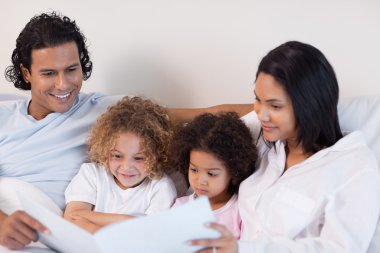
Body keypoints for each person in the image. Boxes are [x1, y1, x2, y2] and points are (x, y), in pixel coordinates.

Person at [0, 11, 253, 250]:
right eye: (48, 73)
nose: (63, 84)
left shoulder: (109, 113)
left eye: (71, 69)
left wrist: (272, 108)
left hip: (62, 237)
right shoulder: (4, 116)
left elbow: (206, 114)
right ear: (26, 72)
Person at [189, 41, 380, 253]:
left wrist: (242, 249)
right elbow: (224, 116)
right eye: (257, 99)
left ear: (310, 105)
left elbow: (341, 249)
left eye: (275, 106)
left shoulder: (355, 168)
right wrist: (155, 113)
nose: (261, 113)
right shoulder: (267, 143)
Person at [63, 96, 177, 232]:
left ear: (157, 156)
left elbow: (150, 232)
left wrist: (90, 220)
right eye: (117, 156)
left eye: (139, 158)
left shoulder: (160, 187)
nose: (126, 167)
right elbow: (72, 217)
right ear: (105, 150)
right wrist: (127, 220)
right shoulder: (92, 173)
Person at [170, 112, 257, 239]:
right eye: (194, 170)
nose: (201, 181)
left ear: (234, 171)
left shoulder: (240, 211)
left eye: (211, 174)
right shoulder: (179, 207)